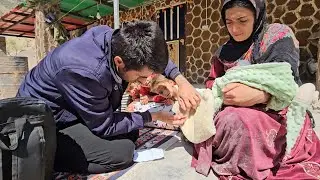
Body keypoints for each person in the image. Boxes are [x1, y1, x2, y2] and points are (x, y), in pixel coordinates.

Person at [16, 21, 200, 174]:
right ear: (120, 62)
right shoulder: (85, 72)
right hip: (45, 123)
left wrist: (182, 82)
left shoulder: (117, 39)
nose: (145, 81)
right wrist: (153, 116)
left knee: (132, 131)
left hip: (72, 108)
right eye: (141, 77)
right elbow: (105, 125)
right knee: (123, 152)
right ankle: (48, 159)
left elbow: (155, 58)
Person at [192, 0, 320, 179]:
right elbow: (212, 82)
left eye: (242, 20)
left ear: (257, 15)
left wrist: (262, 95)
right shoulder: (223, 51)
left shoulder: (277, 36)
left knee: (246, 122)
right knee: (230, 120)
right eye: (229, 22)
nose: (235, 29)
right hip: (233, 106)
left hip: (276, 107)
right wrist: (225, 93)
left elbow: (286, 80)